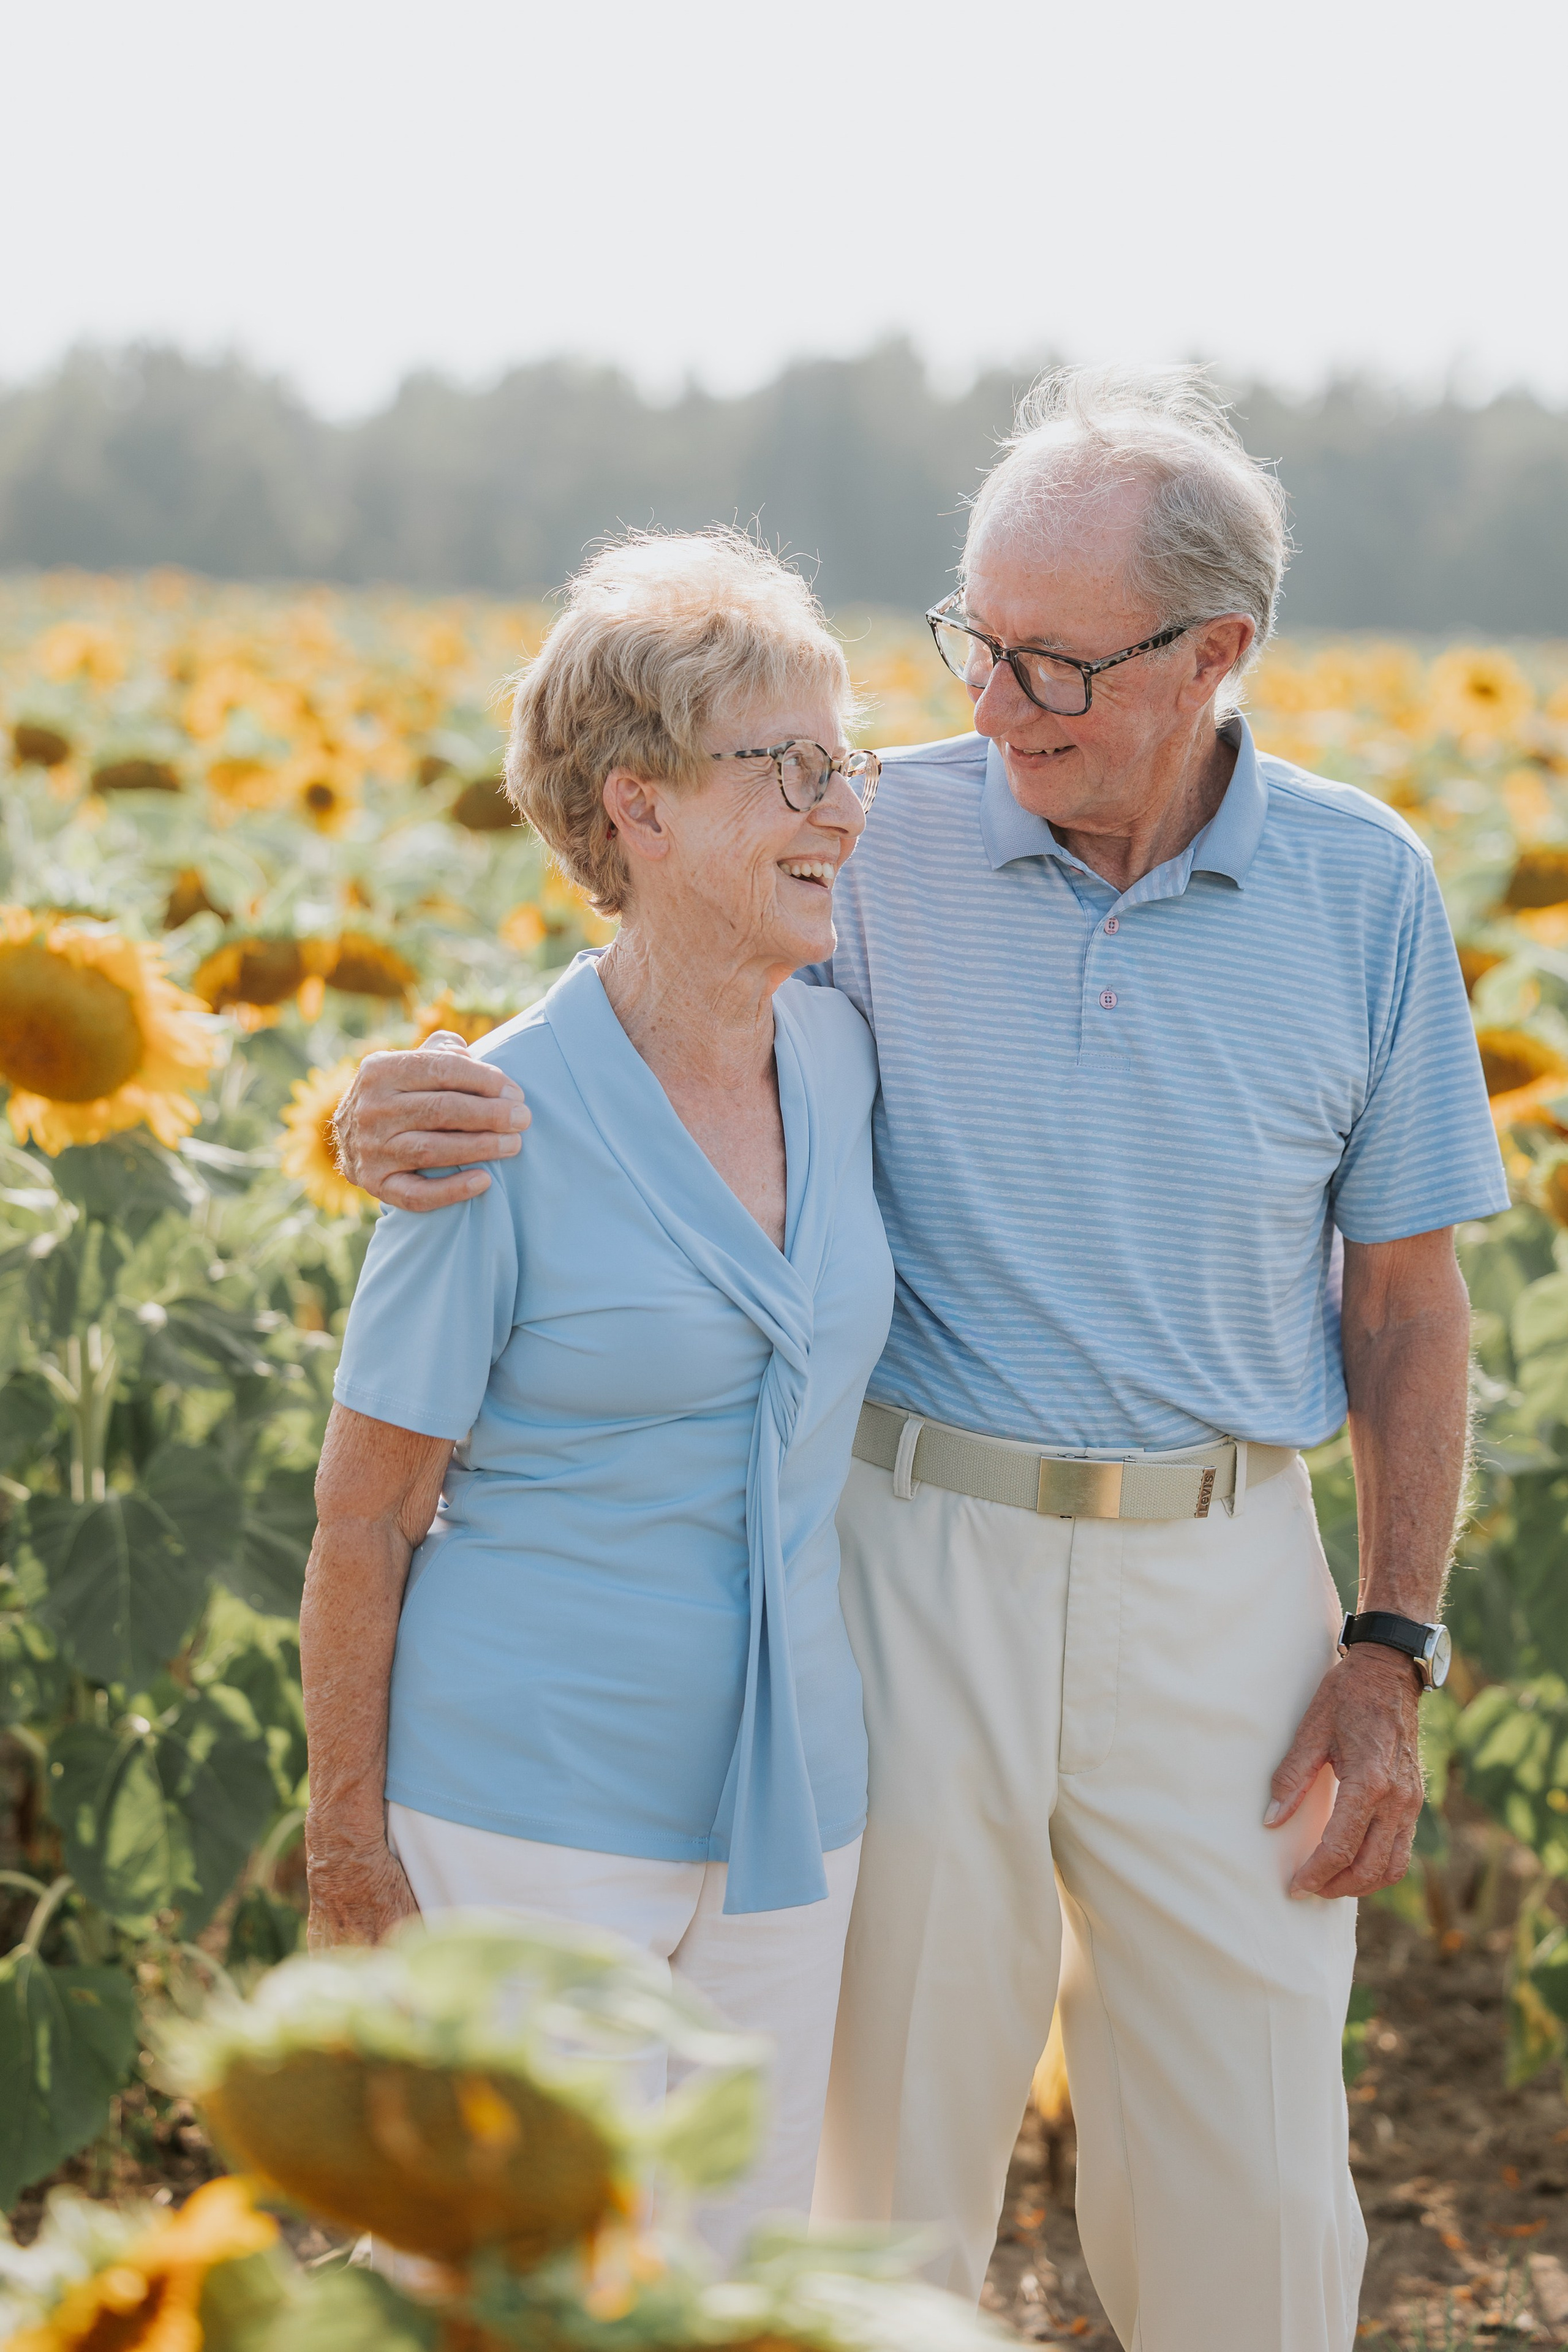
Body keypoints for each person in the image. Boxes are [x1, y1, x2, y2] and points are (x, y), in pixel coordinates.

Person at [331, 370, 1509, 2352]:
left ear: (1221, 651)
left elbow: (1406, 1302)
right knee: (877, 2177)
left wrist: (1391, 1644)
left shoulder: (1364, 888)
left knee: (1258, 2199)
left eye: (1054, 659)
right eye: (975, 640)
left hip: (1233, 1583)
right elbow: (651, 961)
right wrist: (384, 1098)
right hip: (908, 1562)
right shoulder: (874, 837)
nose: (989, 702)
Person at [300, 530, 891, 2262]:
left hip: (796, 1810)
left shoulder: (843, 1056)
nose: (840, 808)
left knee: (725, 2272)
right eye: (787, 771)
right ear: (636, 811)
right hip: (524, 1816)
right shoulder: (486, 1121)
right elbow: (366, 1507)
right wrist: (348, 1855)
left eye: (840, 761)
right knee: (506, 2280)